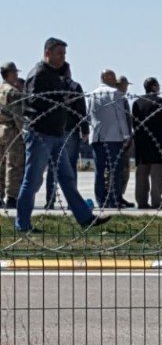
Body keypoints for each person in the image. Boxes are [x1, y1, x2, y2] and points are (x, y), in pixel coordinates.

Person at [13, 38, 110, 232]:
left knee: (67, 178)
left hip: (56, 135)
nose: (62, 58)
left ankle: (85, 218)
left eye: (64, 55)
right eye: (59, 54)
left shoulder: (54, 74)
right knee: (32, 180)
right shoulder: (39, 74)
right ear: (47, 53)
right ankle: (22, 224)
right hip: (41, 134)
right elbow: (33, 103)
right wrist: (60, 100)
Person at [44, 63, 89, 209]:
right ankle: (72, 202)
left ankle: (50, 200)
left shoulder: (52, 86)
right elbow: (81, 110)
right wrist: (85, 129)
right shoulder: (75, 86)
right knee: (70, 166)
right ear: (68, 71)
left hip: (53, 129)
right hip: (70, 129)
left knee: (53, 167)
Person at [88, 69, 132, 209]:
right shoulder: (115, 93)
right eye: (112, 77)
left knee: (100, 170)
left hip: (97, 137)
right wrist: (126, 135)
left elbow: (89, 115)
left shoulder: (92, 94)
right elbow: (121, 117)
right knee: (115, 169)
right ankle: (113, 199)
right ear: (108, 78)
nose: (114, 80)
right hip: (114, 137)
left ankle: (101, 200)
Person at [132, 77, 162, 209]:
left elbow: (135, 125)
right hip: (157, 144)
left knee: (142, 175)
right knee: (156, 175)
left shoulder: (137, 102)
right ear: (154, 87)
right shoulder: (160, 101)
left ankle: (141, 201)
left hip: (142, 144)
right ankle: (156, 201)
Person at [0, 62, 25, 209]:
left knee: (1, 165)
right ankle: (12, 197)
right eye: (14, 73)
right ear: (8, 74)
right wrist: (23, 133)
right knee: (14, 165)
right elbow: (18, 116)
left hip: (1, 130)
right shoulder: (13, 92)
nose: (16, 75)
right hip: (12, 131)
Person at [115, 74, 135, 207]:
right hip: (122, 139)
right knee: (121, 170)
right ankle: (117, 196)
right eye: (125, 85)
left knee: (124, 170)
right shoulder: (118, 99)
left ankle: (119, 195)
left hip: (125, 138)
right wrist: (126, 136)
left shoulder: (122, 99)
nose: (127, 87)